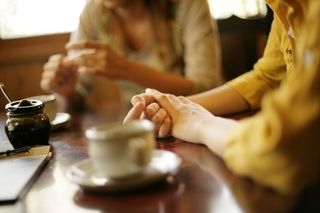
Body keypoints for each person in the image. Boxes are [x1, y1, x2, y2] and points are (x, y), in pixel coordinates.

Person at [124, 0, 320, 196]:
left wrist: (201, 125)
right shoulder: (285, 7)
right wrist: (175, 108)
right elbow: (269, 78)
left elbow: (281, 151)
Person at [40, 0, 223, 111]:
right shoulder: (94, 12)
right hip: (142, 124)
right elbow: (76, 98)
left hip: (202, 119)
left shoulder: (185, 5)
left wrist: (126, 69)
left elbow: (206, 87)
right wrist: (67, 92)